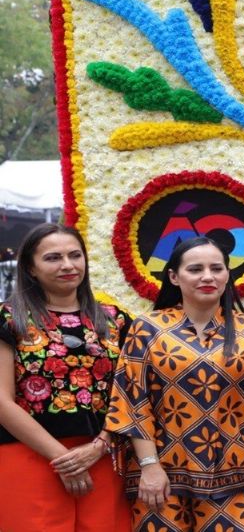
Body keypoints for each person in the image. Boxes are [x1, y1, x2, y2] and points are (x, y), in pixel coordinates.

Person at [106, 236, 244, 531]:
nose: (208, 277)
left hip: (235, 479)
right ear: (174, 276)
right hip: (159, 479)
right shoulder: (147, 328)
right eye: (195, 269)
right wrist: (149, 466)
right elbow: (132, 400)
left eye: (217, 268)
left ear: (228, 274)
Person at [0, 223, 131, 531]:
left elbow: (132, 394)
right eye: (53, 258)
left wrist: (100, 446)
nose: (68, 265)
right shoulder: (9, 317)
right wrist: (62, 458)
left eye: (75, 255)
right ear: (31, 267)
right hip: (29, 453)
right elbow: (2, 401)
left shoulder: (116, 320)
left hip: (102, 454)